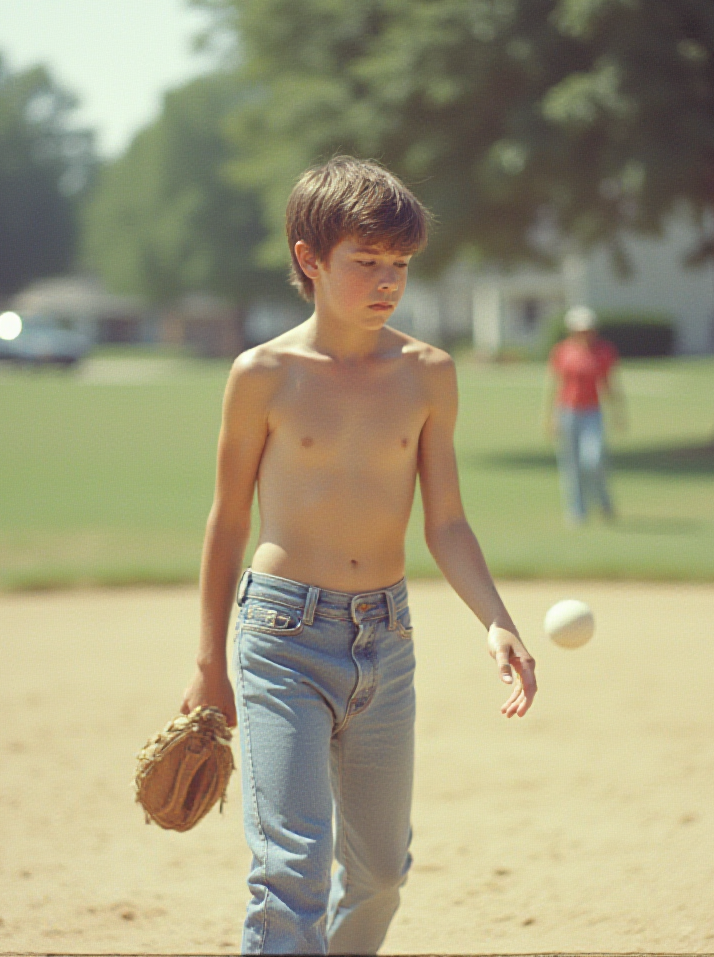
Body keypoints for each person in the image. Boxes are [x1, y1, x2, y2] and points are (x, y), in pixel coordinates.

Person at [180, 156, 537, 955]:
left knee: (380, 874)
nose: (387, 281)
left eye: (400, 264)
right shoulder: (263, 375)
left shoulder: (428, 375)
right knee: (291, 870)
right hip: (281, 638)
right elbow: (226, 521)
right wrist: (209, 664)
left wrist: (496, 620)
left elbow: (446, 522)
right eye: (365, 262)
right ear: (310, 260)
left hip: (386, 638)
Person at [543, 306, 627, 525]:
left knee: (593, 459)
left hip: (592, 412)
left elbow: (609, 384)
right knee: (571, 464)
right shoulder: (562, 351)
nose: (585, 334)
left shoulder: (603, 351)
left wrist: (617, 412)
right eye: (580, 330)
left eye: (588, 329)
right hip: (567, 412)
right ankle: (577, 511)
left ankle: (603, 501)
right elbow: (555, 385)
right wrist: (551, 417)